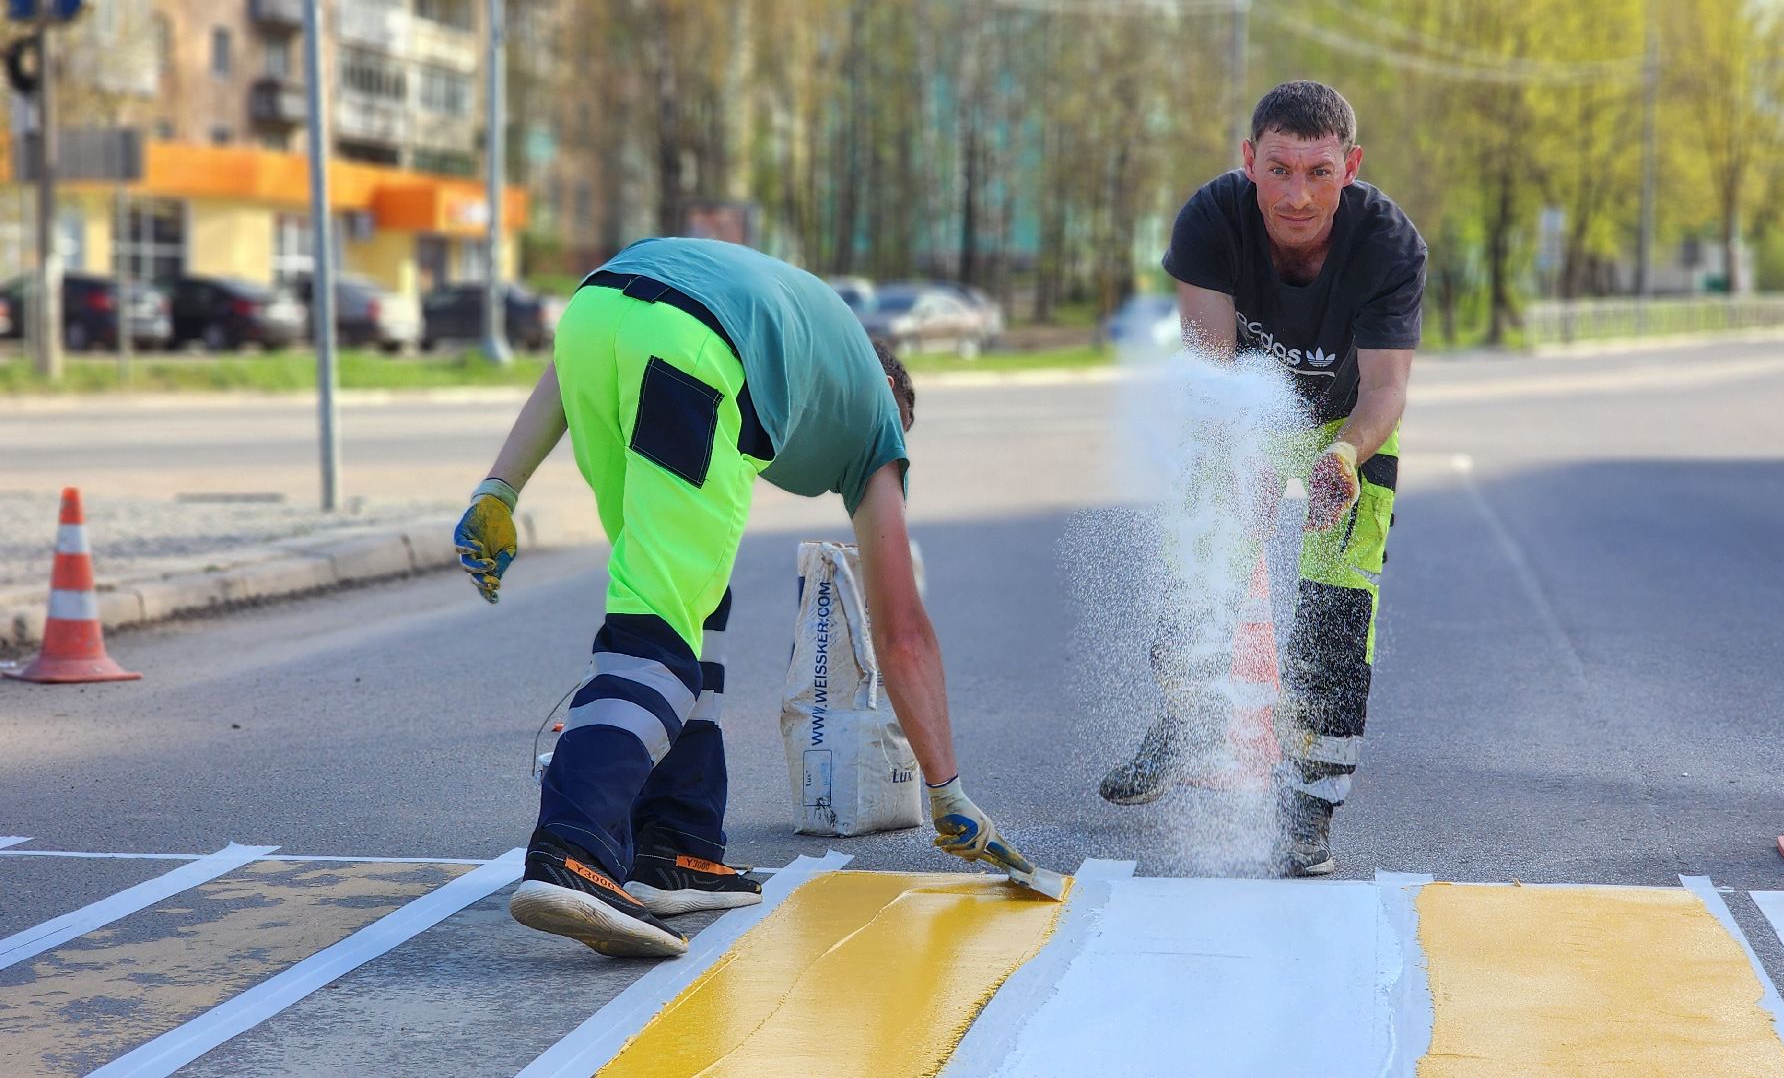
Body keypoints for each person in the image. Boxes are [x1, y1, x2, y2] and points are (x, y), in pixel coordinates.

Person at [454, 238, 1035, 957]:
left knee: (685, 599)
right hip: (693, 353)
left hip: (593, 316)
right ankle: (573, 851)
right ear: (896, 403)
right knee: (658, 623)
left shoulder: (803, 336)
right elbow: (902, 630)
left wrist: (500, 487)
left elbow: (602, 330)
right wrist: (946, 790)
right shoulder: (876, 420)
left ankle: (677, 841)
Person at [1099, 81, 1425, 878]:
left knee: (1337, 616)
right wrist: (1240, 471)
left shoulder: (1388, 244)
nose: (1297, 195)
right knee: (1199, 573)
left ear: (1349, 166)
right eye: (1278, 169)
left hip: (1346, 430)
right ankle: (1185, 722)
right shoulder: (1210, 221)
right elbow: (1212, 373)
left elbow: (1386, 390)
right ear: (1250, 160)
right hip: (1239, 421)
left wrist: (1342, 457)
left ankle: (1310, 809)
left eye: (1318, 171)